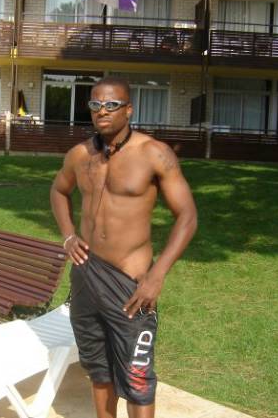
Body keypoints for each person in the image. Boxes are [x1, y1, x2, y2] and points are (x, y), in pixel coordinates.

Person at [50, 77, 197, 418]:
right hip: (86, 277)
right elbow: (58, 190)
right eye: (95, 105)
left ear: (128, 109)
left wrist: (157, 275)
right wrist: (69, 235)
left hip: (130, 285)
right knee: (98, 370)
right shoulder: (79, 154)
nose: (102, 111)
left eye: (111, 105)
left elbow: (188, 216)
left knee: (137, 378)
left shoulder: (154, 153)